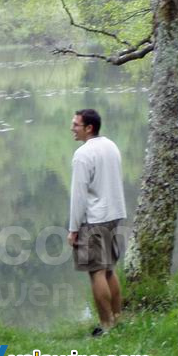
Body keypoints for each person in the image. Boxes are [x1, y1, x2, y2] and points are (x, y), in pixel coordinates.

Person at [67, 108, 127, 336]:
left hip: (94, 220)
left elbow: (79, 195)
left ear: (89, 128)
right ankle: (118, 318)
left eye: (76, 125)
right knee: (109, 269)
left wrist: (73, 229)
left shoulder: (83, 154)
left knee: (96, 272)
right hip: (114, 214)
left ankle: (106, 325)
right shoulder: (111, 146)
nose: (72, 128)